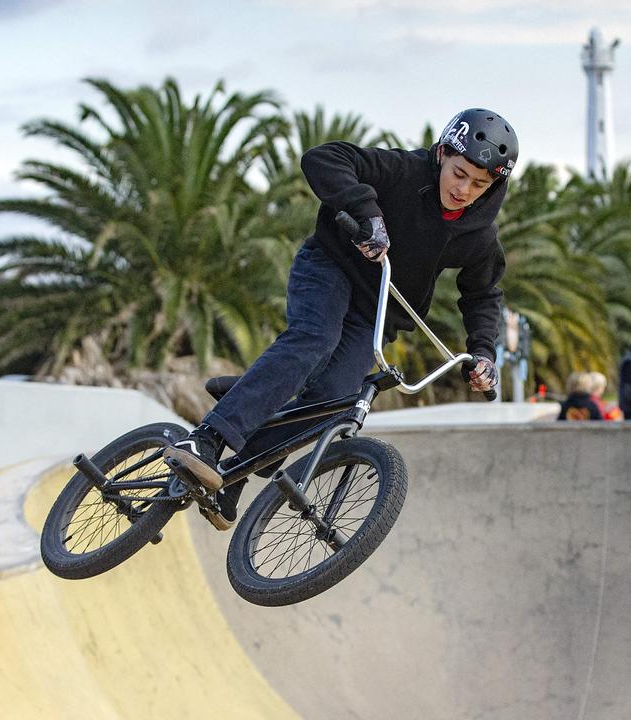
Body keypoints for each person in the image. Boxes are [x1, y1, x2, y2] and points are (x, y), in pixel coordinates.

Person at [163, 108, 518, 529]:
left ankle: (234, 471)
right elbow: (323, 157)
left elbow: (482, 294)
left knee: (333, 400)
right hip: (330, 268)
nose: (464, 190)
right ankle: (206, 439)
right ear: (442, 154)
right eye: (459, 174)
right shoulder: (403, 171)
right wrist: (367, 214)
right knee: (315, 340)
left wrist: (482, 353)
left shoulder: (479, 235)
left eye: (480, 184)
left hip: (374, 309)